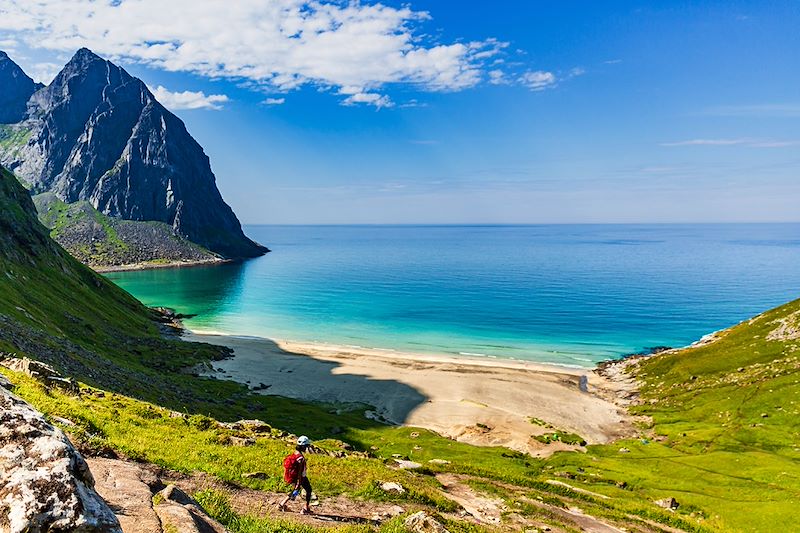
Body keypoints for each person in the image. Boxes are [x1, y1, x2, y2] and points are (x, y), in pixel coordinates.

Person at [279, 435, 313, 514]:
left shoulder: (295, 454)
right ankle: (305, 508)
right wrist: (299, 482)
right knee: (308, 490)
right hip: (301, 477)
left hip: (294, 477)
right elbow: (300, 472)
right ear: (304, 447)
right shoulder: (300, 458)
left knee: (295, 490)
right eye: (306, 447)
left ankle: (281, 504)